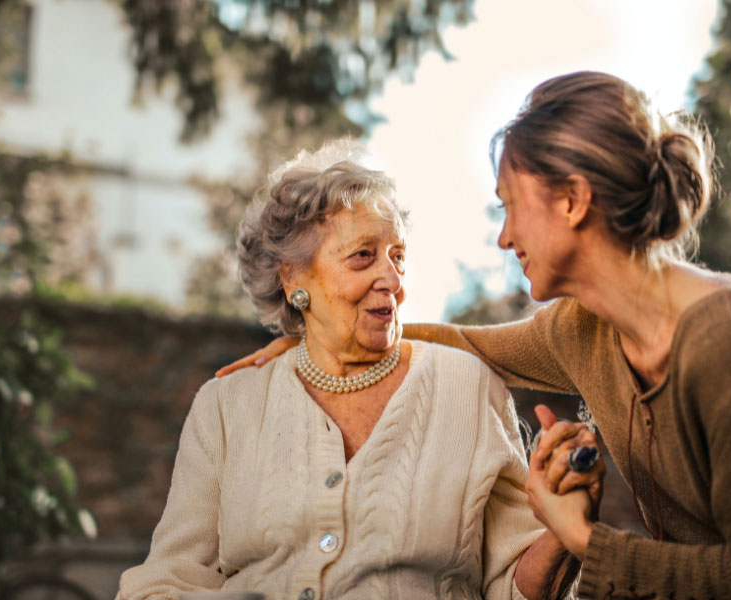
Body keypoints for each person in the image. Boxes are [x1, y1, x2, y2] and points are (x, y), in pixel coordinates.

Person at [216, 72, 731, 598]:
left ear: (573, 201)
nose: (504, 238)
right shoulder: (583, 328)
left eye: (510, 206)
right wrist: (322, 335)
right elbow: (469, 343)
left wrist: (584, 541)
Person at [118, 140, 602, 600]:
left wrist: (563, 532)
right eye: (363, 256)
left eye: (398, 257)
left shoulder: (468, 388)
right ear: (293, 278)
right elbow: (166, 581)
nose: (392, 280)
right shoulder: (226, 406)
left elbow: (515, 589)